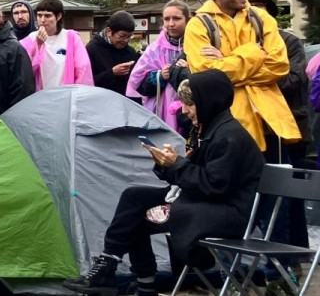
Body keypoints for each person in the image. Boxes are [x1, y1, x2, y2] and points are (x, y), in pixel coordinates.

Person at [64, 70, 265, 296]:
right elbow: (198, 179)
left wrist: (177, 164)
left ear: (208, 102)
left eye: (190, 104)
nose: (185, 110)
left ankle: (142, 284)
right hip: (206, 202)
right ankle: (111, 266)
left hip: (226, 212)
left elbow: (214, 186)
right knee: (134, 197)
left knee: (136, 216)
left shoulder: (230, 136)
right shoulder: (212, 129)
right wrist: (166, 164)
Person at [184, 0, 298, 150]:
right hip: (225, 130)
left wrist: (224, 62)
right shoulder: (197, 25)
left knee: (277, 179)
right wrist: (253, 53)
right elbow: (206, 78)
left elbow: (279, 66)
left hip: (271, 126)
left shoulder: (262, 18)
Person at [248, 0, 313, 254]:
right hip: (255, 128)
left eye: (262, 8)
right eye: (252, 9)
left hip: (289, 129)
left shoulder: (289, 41)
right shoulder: (242, 44)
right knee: (262, 192)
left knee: (291, 193)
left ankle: (294, 254)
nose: (257, 13)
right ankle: (265, 252)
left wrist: (254, 79)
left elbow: (294, 78)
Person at [127, 0, 193, 134]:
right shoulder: (155, 49)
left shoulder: (198, 44)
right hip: (162, 111)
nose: (171, 24)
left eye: (176, 18)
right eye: (166, 19)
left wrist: (191, 70)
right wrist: (159, 76)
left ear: (188, 19)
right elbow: (138, 83)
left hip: (192, 111)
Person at [20, 0, 93, 91]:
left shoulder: (71, 38)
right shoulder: (31, 39)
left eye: (47, 16)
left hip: (66, 94)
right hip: (40, 95)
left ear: (58, 16)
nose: (42, 20)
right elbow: (23, 67)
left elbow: (83, 69)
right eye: (39, 15)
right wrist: (37, 45)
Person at [87, 11, 140, 96]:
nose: (125, 40)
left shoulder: (130, 52)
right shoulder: (91, 49)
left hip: (126, 103)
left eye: (129, 36)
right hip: (100, 101)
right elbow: (87, 82)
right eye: (122, 36)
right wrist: (112, 73)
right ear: (109, 31)